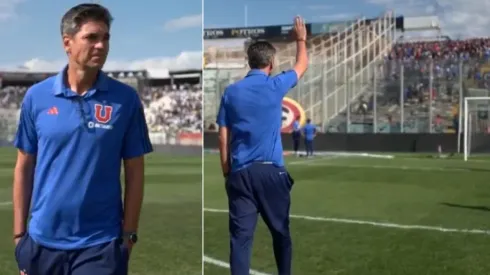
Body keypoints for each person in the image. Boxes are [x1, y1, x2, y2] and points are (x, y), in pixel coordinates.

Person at [12, 3, 153, 275]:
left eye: (106, 37)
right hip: (42, 242)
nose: (101, 45)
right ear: (68, 43)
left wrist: (129, 234)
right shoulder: (37, 97)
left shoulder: (125, 99)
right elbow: (24, 166)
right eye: (91, 37)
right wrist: (20, 237)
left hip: (100, 245)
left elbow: (135, 170)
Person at [216, 16, 309, 275]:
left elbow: (223, 136)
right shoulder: (274, 84)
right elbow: (302, 65)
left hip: (240, 173)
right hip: (271, 172)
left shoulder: (231, 92)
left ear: (250, 62)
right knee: (281, 233)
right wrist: (301, 39)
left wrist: (226, 172)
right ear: (270, 63)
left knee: (240, 241)